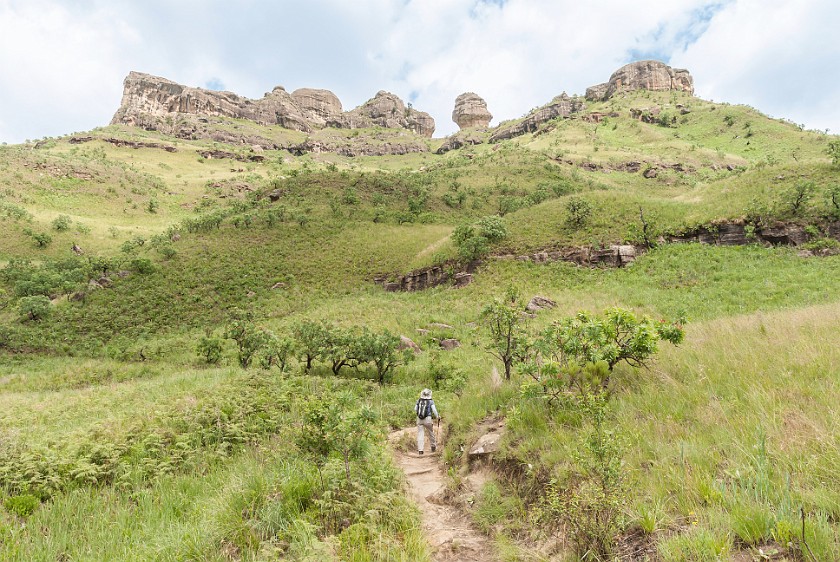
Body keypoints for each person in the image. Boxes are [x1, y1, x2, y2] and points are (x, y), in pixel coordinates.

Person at [415, 388, 440, 454]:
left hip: (419, 419)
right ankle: (433, 446)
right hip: (428, 419)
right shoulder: (431, 401)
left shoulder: (419, 400)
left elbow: (415, 409)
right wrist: (437, 416)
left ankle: (420, 450)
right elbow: (434, 410)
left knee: (420, 433)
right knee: (431, 432)